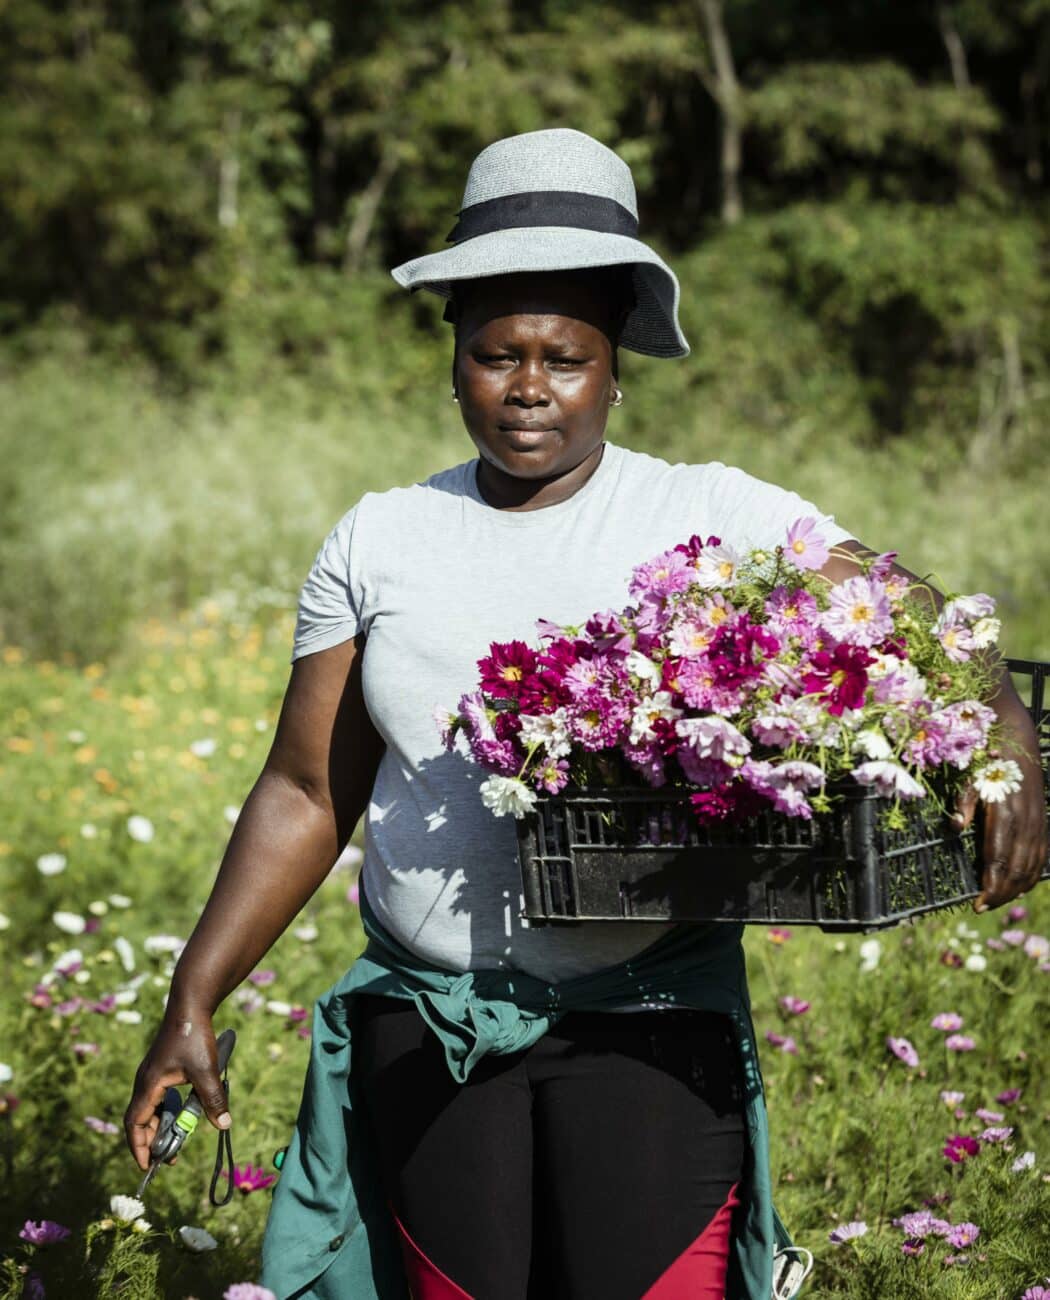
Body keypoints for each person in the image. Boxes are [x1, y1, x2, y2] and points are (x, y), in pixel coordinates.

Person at [124, 129, 1047, 1300]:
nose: (525, 389)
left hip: (649, 1019)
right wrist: (190, 996)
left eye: (563, 357)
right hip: (433, 1022)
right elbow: (309, 789)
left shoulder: (708, 512)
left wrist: (1004, 728)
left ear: (617, 367)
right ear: (453, 356)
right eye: (494, 354)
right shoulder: (380, 538)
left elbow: (907, 610)